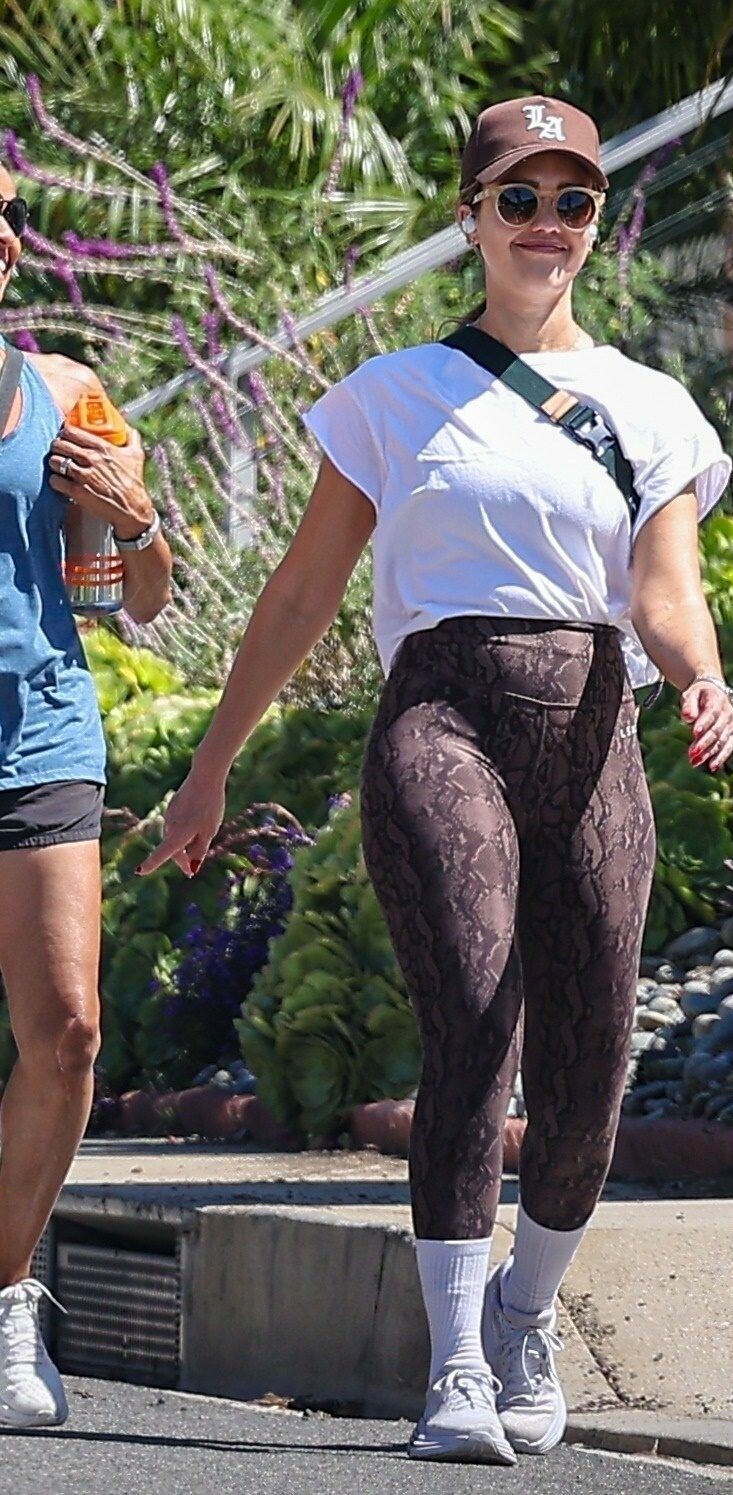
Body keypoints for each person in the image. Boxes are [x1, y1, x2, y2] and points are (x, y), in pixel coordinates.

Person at [135, 94, 733, 1466]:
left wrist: (700, 675)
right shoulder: (394, 394)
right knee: (475, 1013)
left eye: (571, 201)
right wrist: (212, 765)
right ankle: (455, 1362)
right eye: (517, 199)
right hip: (440, 713)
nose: (545, 225)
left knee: (591, 1059)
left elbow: (665, 591)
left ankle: (525, 1311)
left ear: (595, 222)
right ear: (471, 218)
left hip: (591, 725)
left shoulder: (652, 406)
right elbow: (300, 596)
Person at [0, 165, 172, 1428]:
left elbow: (131, 601)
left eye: (3, 219)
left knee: (67, 1031)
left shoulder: (64, 395)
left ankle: (5, 1298)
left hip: (41, 735)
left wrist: (137, 518)